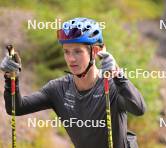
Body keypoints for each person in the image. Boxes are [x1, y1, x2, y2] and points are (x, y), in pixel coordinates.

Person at [0, 17, 146, 148]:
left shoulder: (112, 85)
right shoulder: (58, 89)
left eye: (77, 51)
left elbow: (139, 109)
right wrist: (11, 79)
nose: (71, 59)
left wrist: (118, 74)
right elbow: (15, 108)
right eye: (66, 52)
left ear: (95, 52)